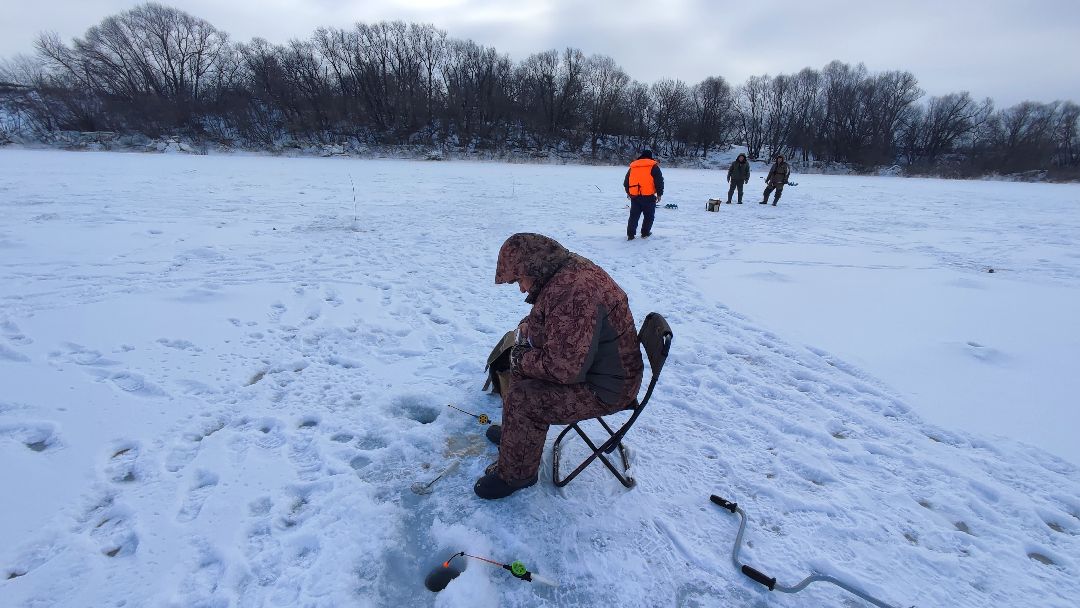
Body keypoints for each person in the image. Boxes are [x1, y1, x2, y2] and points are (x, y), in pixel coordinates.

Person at [475, 233, 644, 499]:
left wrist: (519, 358)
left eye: (519, 280)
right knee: (522, 370)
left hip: (607, 389)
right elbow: (555, 319)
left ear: (533, 268)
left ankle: (517, 475)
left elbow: (563, 369)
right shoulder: (562, 272)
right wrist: (529, 329)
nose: (521, 289)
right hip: (599, 370)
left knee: (524, 397)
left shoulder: (573, 291)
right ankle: (515, 437)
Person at [623, 149, 664, 240]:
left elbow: (626, 182)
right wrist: (659, 194)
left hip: (635, 196)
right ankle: (645, 233)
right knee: (649, 216)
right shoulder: (653, 166)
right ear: (650, 157)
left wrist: (628, 192)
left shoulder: (633, 167)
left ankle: (630, 235)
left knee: (634, 216)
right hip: (649, 196)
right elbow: (659, 181)